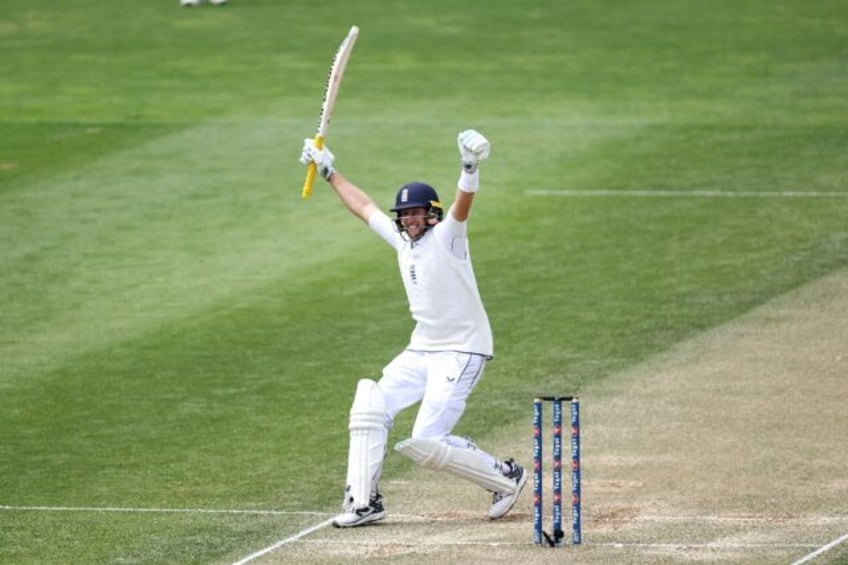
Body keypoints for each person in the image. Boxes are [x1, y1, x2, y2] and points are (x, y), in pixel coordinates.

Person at [299, 130, 528, 528]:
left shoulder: (449, 238)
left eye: (416, 213)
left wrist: (469, 168)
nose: (409, 220)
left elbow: (463, 207)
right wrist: (329, 171)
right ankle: (364, 503)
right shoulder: (404, 242)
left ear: (432, 214)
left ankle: (506, 476)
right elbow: (364, 207)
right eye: (404, 215)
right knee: (370, 405)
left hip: (462, 350)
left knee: (427, 439)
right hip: (422, 349)